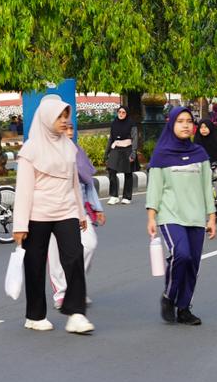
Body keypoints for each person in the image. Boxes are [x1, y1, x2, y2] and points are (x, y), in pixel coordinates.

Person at [13, 96, 92, 334]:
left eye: (65, 116)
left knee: (75, 257)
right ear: (47, 118)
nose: (64, 121)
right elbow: (24, 190)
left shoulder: (68, 146)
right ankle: (35, 315)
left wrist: (80, 212)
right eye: (59, 116)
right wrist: (20, 224)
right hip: (38, 213)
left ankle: (76, 313)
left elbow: (74, 184)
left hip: (66, 210)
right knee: (35, 263)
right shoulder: (31, 149)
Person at [147, 107, 217, 326]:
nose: (186, 125)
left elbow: (207, 187)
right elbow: (154, 188)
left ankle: (184, 308)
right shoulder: (161, 155)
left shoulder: (200, 154)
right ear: (171, 125)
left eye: (189, 121)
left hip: (196, 216)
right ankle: (169, 297)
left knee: (193, 263)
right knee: (182, 254)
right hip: (170, 215)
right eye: (180, 121)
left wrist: (212, 216)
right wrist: (152, 216)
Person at [50, 143, 105, 311]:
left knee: (89, 244)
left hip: (79, 211)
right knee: (55, 254)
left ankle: (75, 287)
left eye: (70, 127)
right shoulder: (47, 151)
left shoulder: (77, 152)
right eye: (63, 126)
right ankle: (61, 292)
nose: (67, 131)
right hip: (53, 212)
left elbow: (87, 183)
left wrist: (97, 208)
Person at [106, 105, 138, 205]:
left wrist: (133, 153)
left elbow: (135, 138)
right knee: (111, 170)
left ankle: (127, 197)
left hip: (127, 149)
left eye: (123, 112)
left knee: (128, 173)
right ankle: (114, 196)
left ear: (126, 113)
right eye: (119, 112)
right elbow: (111, 138)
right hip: (116, 148)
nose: (121, 114)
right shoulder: (114, 123)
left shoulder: (131, 123)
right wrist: (106, 153)